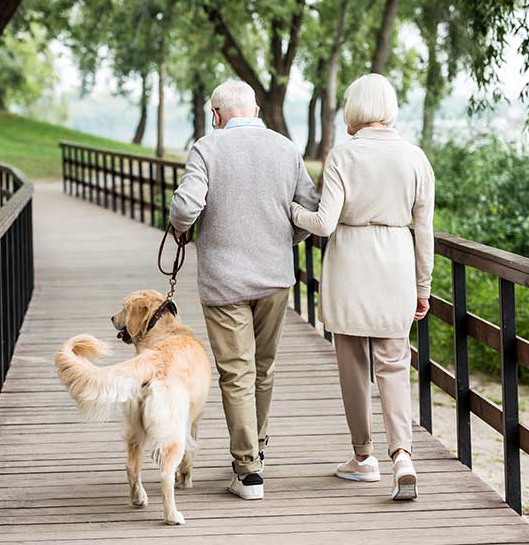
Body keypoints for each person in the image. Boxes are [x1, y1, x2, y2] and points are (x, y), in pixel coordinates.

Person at [169, 79, 319, 500]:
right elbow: (308, 208)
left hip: (224, 281)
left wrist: (182, 230)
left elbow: (185, 207)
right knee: (264, 368)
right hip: (275, 277)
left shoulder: (207, 148)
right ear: (255, 111)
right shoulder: (285, 148)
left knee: (236, 372)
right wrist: (283, 241)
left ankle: (248, 470)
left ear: (216, 115)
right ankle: (258, 449)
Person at [291, 73, 435, 500]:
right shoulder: (415, 157)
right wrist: (422, 287)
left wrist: (291, 211)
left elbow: (323, 222)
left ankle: (363, 457)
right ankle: (403, 456)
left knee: (353, 366)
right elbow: (424, 231)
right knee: (394, 364)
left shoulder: (343, 155)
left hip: (350, 265)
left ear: (355, 108)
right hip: (396, 263)